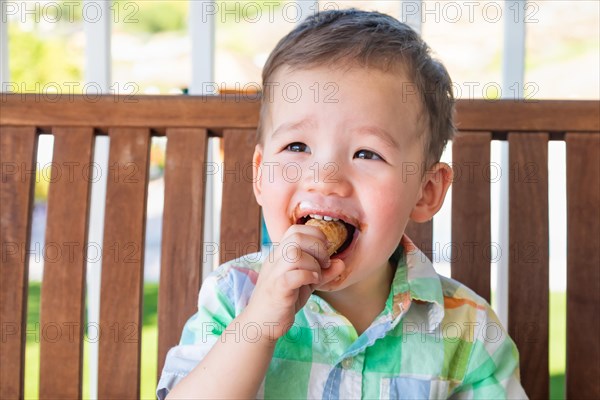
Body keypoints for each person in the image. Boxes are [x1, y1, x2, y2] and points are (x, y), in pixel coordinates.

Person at [157, 9, 527, 399]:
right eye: (297, 146)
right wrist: (258, 326)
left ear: (426, 191)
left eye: (367, 153)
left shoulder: (467, 331)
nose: (325, 177)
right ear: (260, 174)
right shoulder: (233, 298)